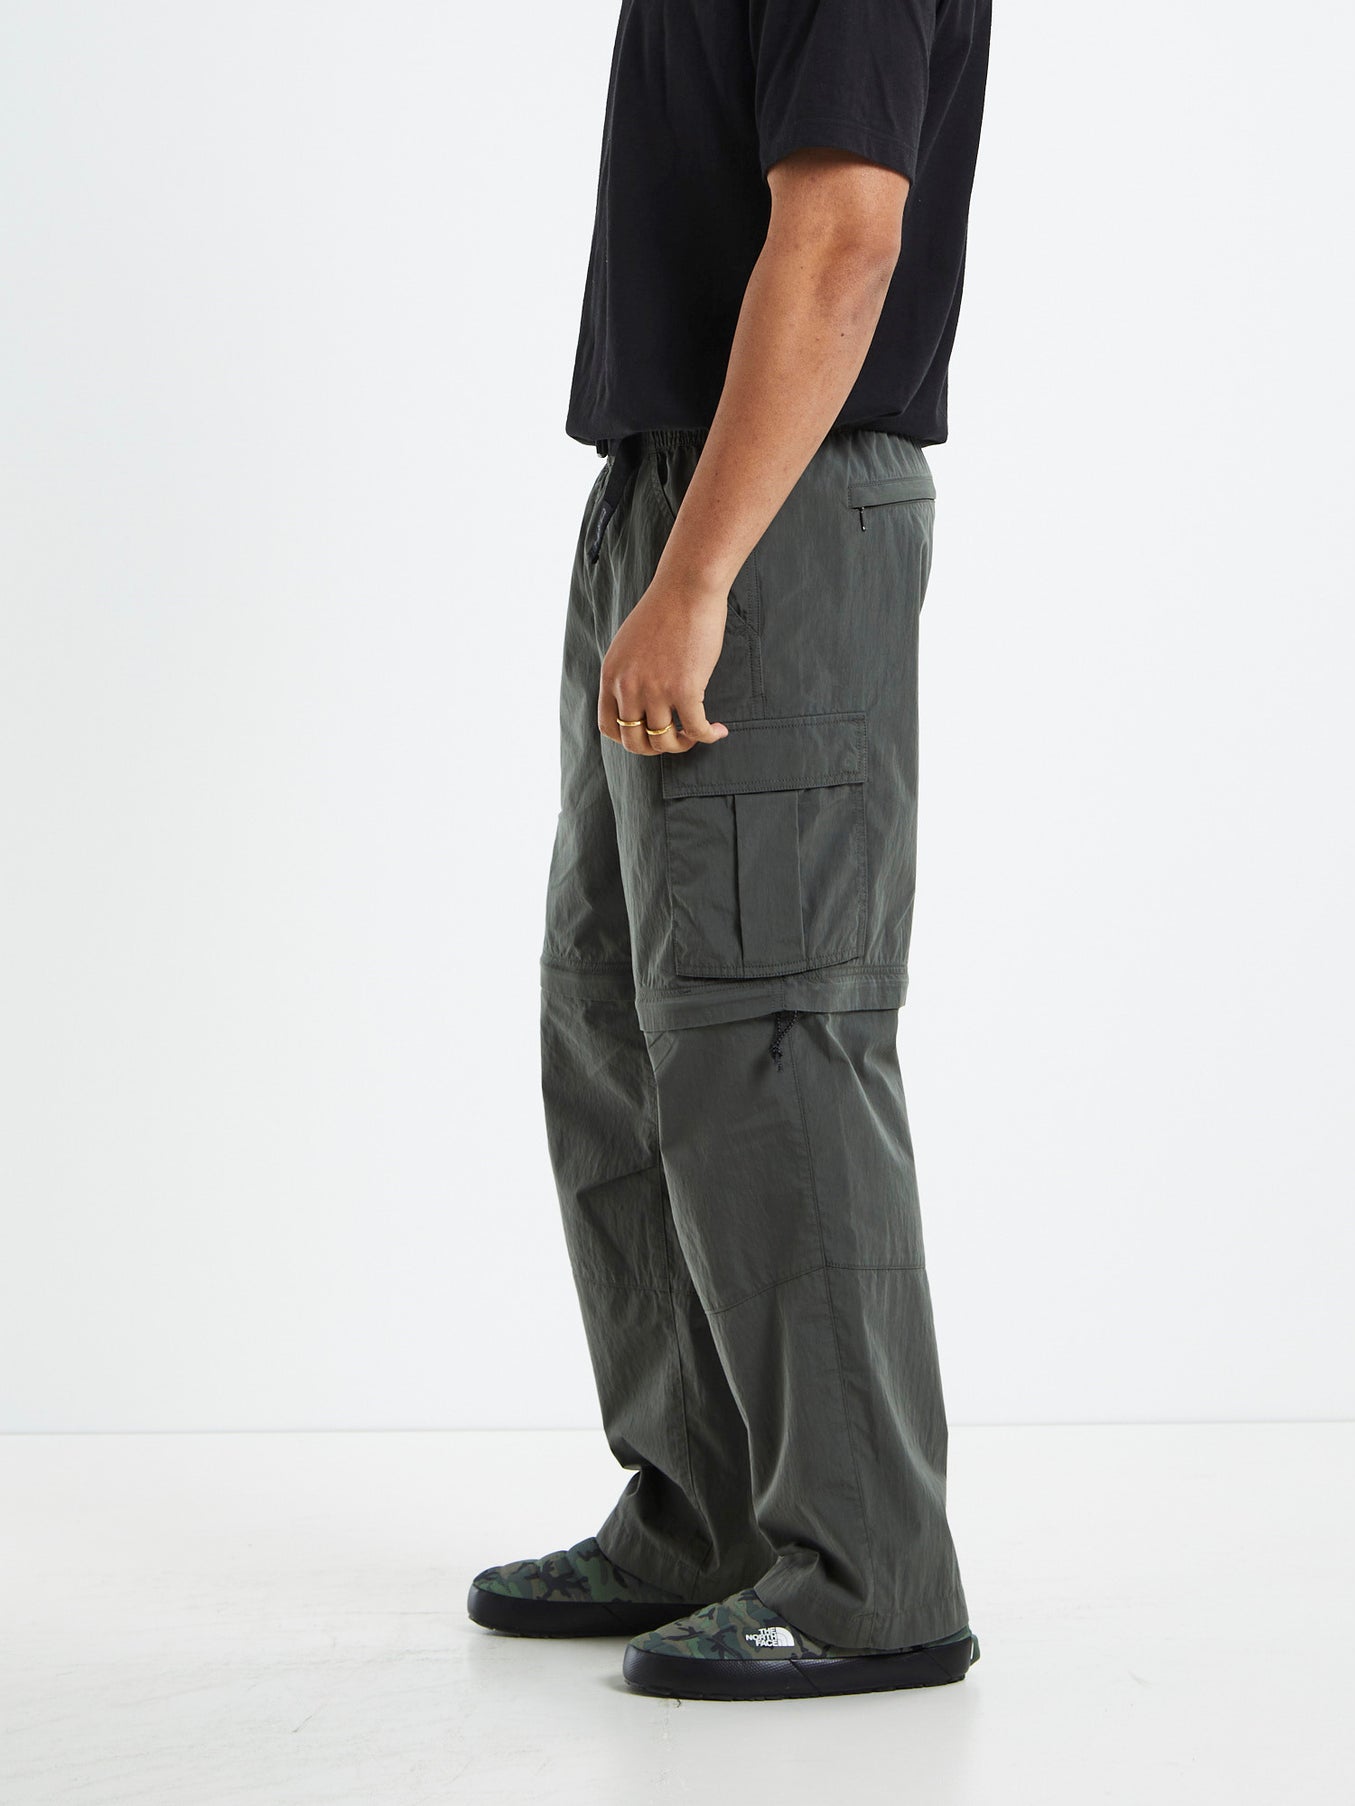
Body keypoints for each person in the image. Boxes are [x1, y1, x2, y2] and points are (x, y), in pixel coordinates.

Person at [468, 0, 991, 1702]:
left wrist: (697, 578)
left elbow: (843, 233)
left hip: (769, 510)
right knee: (618, 1024)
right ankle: (702, 1510)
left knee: (774, 1033)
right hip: (671, 487)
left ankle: (863, 1572)